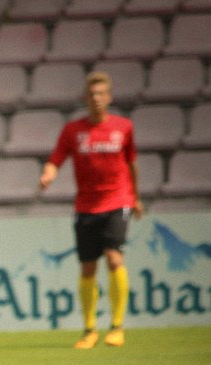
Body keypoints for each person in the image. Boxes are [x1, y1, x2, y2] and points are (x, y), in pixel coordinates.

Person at [39, 71, 143, 349]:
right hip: (86, 206)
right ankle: (89, 330)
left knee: (114, 258)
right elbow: (56, 159)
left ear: (109, 97)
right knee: (88, 267)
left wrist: (136, 198)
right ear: (85, 98)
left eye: (101, 94)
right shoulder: (73, 131)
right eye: (92, 94)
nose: (96, 98)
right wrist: (48, 174)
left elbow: (131, 163)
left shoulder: (123, 127)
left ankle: (117, 327)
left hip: (117, 200)